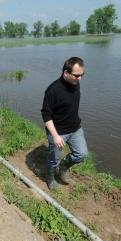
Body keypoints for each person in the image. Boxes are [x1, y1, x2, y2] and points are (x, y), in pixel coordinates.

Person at [41, 57, 88, 189]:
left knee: (82, 154)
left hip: (75, 128)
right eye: (77, 75)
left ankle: (62, 168)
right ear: (66, 73)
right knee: (53, 159)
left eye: (82, 75)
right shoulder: (52, 90)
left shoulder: (75, 82)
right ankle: (50, 178)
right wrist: (55, 136)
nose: (80, 79)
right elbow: (46, 114)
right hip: (58, 131)